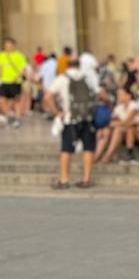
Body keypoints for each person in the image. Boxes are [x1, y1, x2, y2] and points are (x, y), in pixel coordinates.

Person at [49, 55, 97, 189]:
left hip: (70, 118)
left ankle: (64, 180)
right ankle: (86, 179)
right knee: (88, 148)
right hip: (88, 118)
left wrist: (57, 112)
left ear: (67, 65)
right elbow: (98, 94)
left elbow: (48, 97)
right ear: (79, 65)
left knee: (66, 149)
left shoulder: (62, 78)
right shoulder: (88, 78)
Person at [98, 86, 139, 162]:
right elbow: (109, 122)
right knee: (105, 130)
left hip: (138, 133)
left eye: (120, 94)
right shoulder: (119, 107)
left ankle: (108, 156)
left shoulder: (134, 106)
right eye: (117, 94)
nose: (118, 96)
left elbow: (125, 122)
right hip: (125, 131)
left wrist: (116, 123)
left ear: (128, 96)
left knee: (118, 130)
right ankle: (97, 156)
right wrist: (115, 123)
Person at [0, 37, 28, 127]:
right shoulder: (1, 55)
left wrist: (16, 77)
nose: (7, 47)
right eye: (6, 46)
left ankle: (17, 119)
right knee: (1, 99)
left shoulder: (19, 56)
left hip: (15, 82)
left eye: (9, 46)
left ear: (14, 46)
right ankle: (9, 115)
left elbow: (22, 68)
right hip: (4, 81)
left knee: (16, 101)